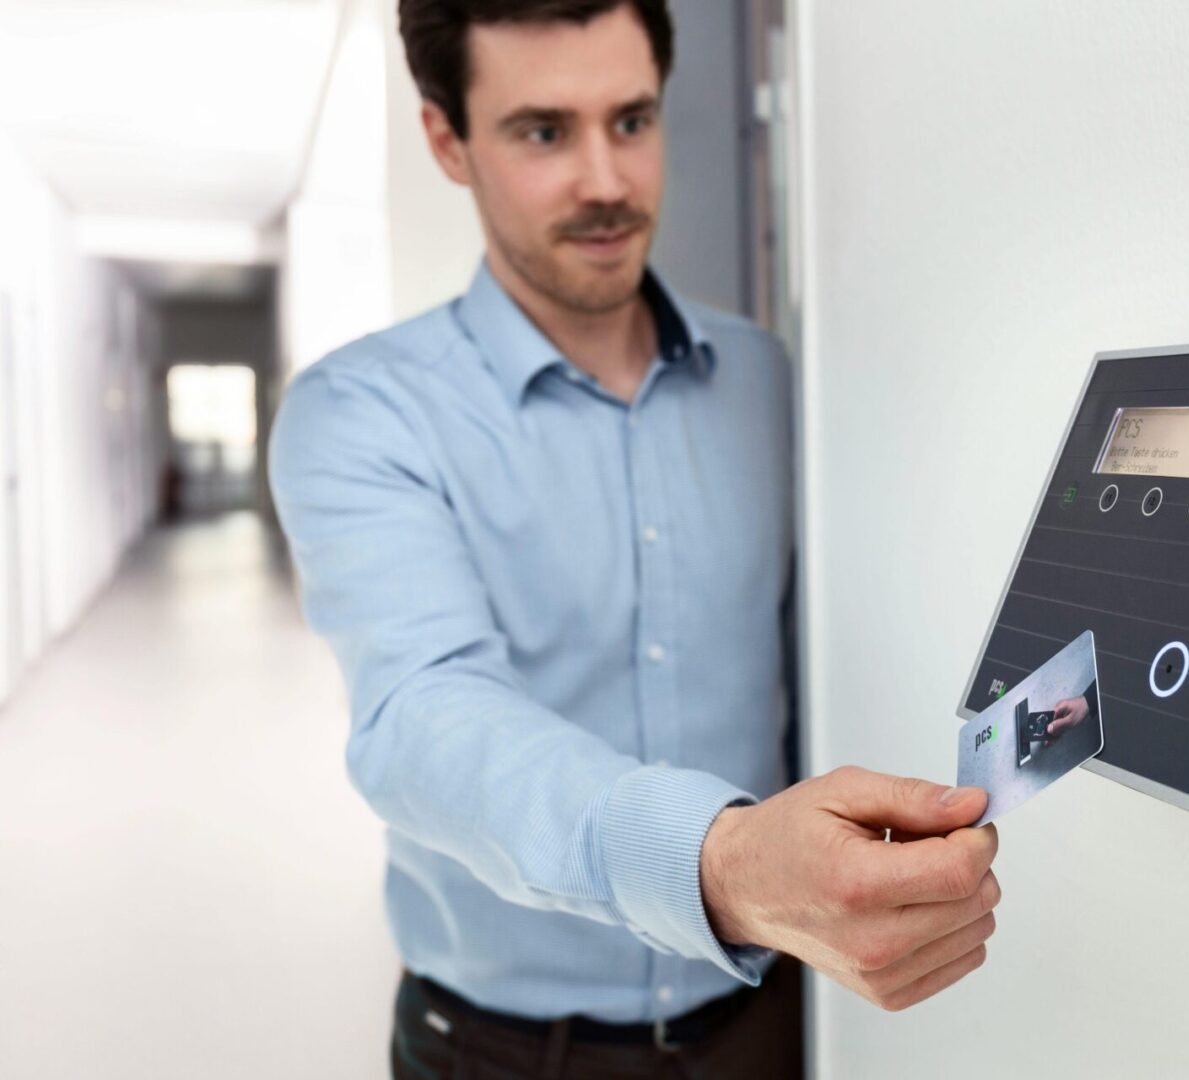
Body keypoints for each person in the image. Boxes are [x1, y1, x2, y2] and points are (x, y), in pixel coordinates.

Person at [267, 2, 1001, 1077]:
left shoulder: (773, 379)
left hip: (766, 1024)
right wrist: (726, 861)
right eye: (542, 131)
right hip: (503, 1054)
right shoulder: (361, 414)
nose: (606, 181)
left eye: (632, 119)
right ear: (447, 140)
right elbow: (423, 716)